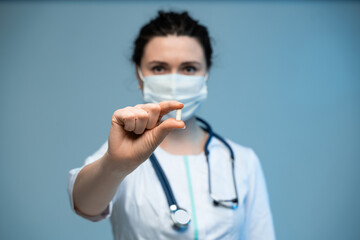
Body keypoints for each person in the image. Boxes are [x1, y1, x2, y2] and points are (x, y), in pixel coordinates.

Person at [67, 11, 275, 240]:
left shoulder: (241, 161)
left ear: (206, 74)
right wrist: (115, 166)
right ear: (139, 76)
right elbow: (84, 205)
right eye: (159, 68)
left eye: (189, 68)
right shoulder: (120, 155)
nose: (175, 80)